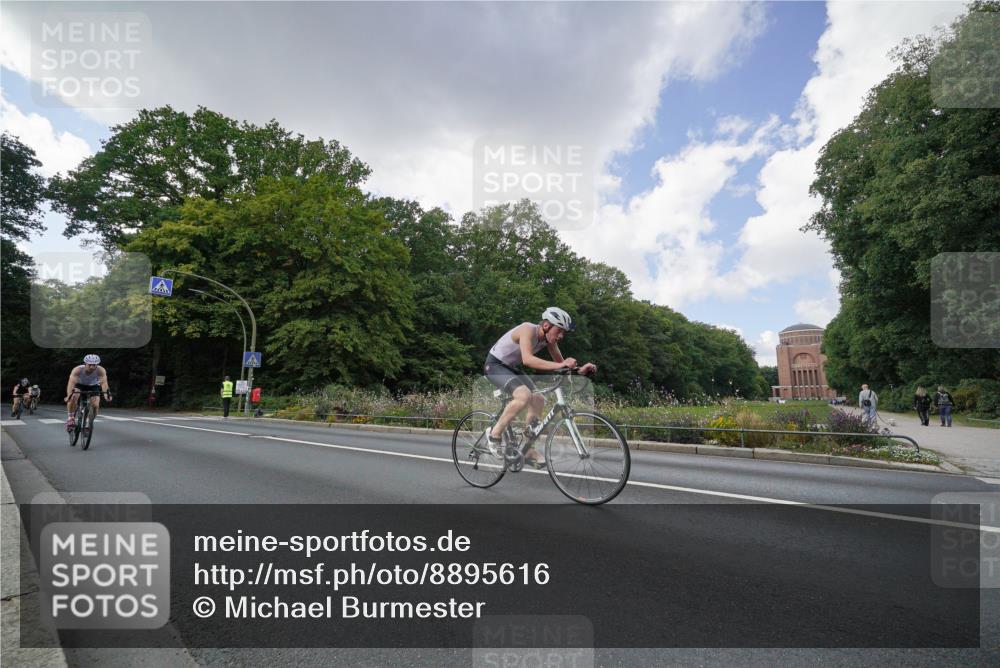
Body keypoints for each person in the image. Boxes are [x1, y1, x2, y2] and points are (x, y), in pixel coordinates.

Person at [483, 307, 596, 468]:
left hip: (511, 368)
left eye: (563, 332)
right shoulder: (527, 329)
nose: (561, 336)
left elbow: (561, 366)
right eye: (559, 331)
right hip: (494, 365)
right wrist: (563, 364)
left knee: (538, 399)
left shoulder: (549, 341)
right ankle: (494, 434)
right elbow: (528, 360)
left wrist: (580, 370)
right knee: (523, 396)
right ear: (546, 325)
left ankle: (528, 449)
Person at [64, 354, 112, 431]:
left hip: (93, 386)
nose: (92, 367)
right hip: (79, 385)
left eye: (94, 365)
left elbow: (104, 383)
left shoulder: (101, 370)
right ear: (85, 364)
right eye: (90, 365)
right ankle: (71, 418)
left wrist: (107, 395)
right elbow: (71, 383)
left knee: (95, 405)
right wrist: (69, 395)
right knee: (73, 397)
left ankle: (89, 422)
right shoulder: (77, 370)